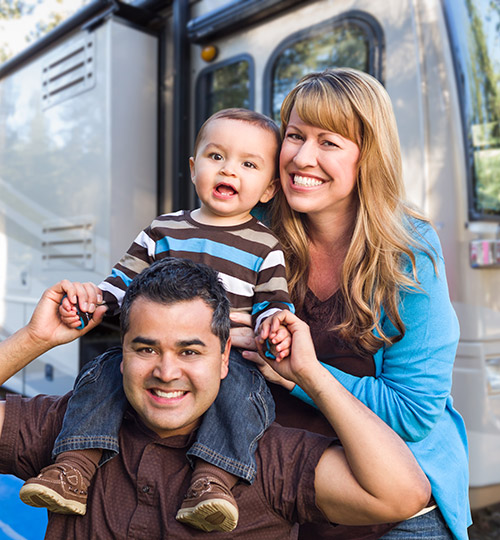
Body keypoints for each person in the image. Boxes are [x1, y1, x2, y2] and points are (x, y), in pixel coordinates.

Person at [0, 259, 431, 538]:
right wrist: (33, 339)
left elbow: (400, 494)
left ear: (225, 357)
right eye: (146, 349)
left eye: (190, 351)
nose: (167, 372)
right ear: (121, 353)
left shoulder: (270, 457)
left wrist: (312, 376)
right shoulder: (68, 431)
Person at [18, 108, 294, 532]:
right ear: (193, 167)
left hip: (226, 359)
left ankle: (213, 480)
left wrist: (272, 325)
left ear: (268, 189)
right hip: (156, 348)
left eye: (248, 164)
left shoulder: (266, 246)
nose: (229, 170)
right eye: (216, 156)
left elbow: (274, 304)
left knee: (243, 392)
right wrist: (92, 303)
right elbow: (120, 283)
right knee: (104, 372)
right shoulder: (163, 230)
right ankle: (74, 467)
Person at [232, 68, 470, 540]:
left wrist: (300, 374)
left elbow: (412, 413)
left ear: (368, 158)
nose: (302, 158)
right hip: (277, 485)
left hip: (394, 499)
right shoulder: (249, 227)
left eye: (329, 143)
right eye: (295, 136)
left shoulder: (408, 252)